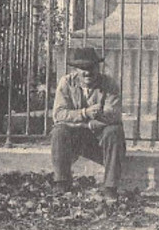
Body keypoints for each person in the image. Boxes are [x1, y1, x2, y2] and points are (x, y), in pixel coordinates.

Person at [50, 46, 126, 201]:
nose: (87, 72)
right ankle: (62, 182)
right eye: (82, 68)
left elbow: (114, 114)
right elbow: (58, 114)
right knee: (58, 131)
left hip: (100, 141)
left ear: (98, 67)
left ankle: (110, 187)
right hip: (75, 142)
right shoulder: (66, 83)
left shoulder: (109, 84)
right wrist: (85, 113)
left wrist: (89, 123)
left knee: (114, 131)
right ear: (76, 69)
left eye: (91, 67)